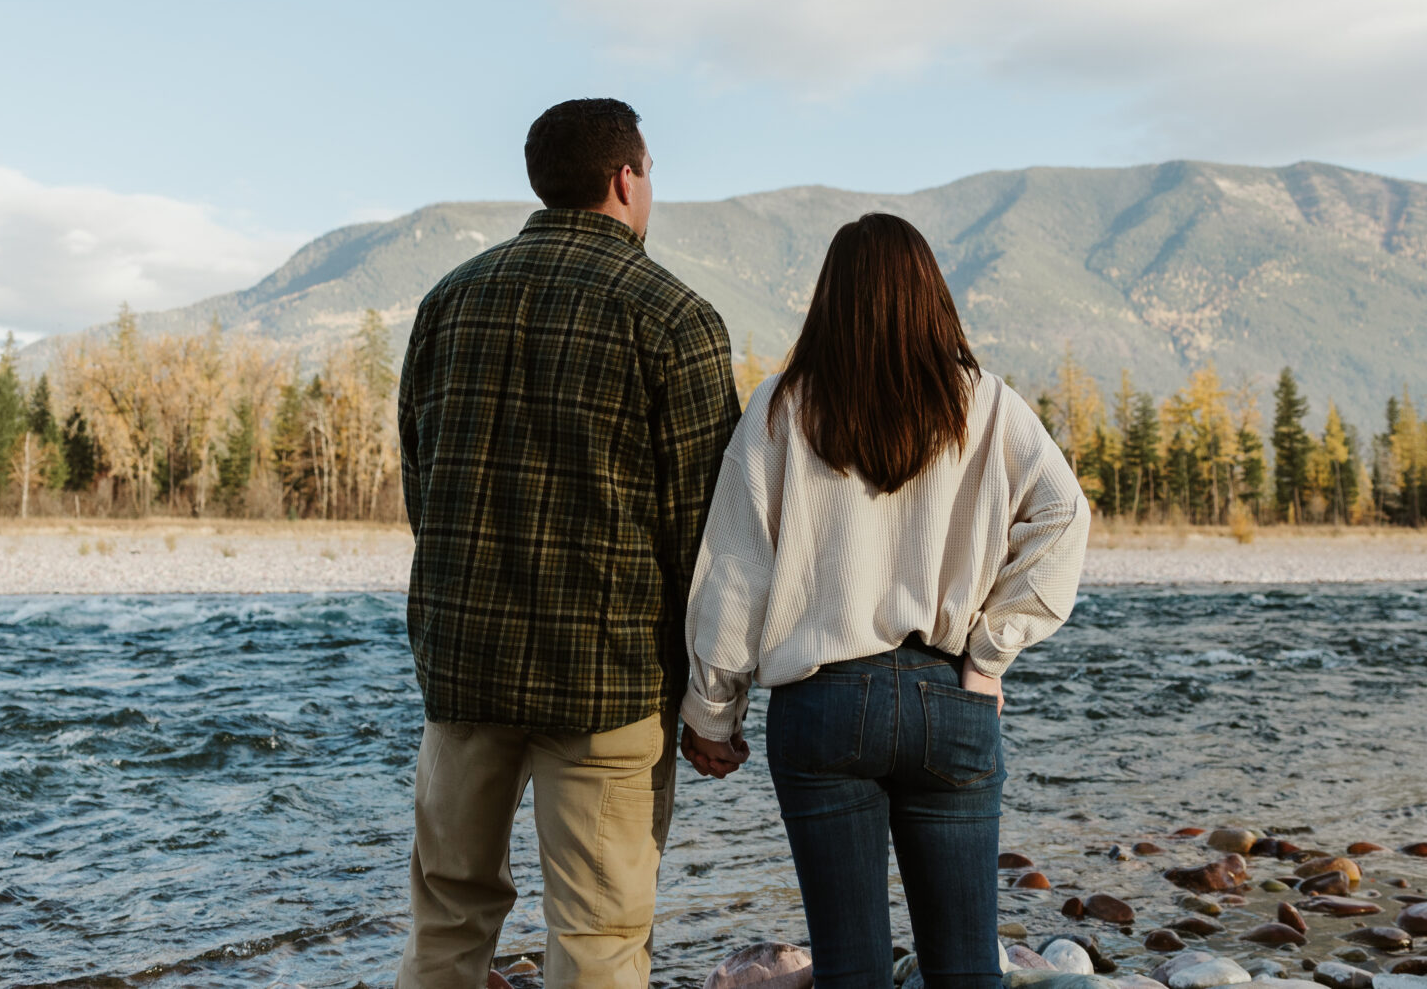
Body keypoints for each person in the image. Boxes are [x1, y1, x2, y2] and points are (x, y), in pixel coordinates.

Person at [679, 213, 1090, 989]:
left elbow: (737, 572)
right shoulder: (990, 404)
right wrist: (990, 651)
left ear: (830, 299)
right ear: (931, 296)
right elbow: (1065, 518)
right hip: (951, 696)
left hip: (821, 705)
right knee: (968, 967)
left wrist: (712, 715)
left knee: (851, 969)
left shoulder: (779, 408)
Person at [394, 98, 743, 989]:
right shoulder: (676, 317)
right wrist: (714, 706)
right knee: (599, 937)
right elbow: (709, 537)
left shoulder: (447, 302)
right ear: (626, 178)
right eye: (651, 171)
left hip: (463, 667)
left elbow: (423, 488)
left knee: (446, 916)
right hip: (608, 683)